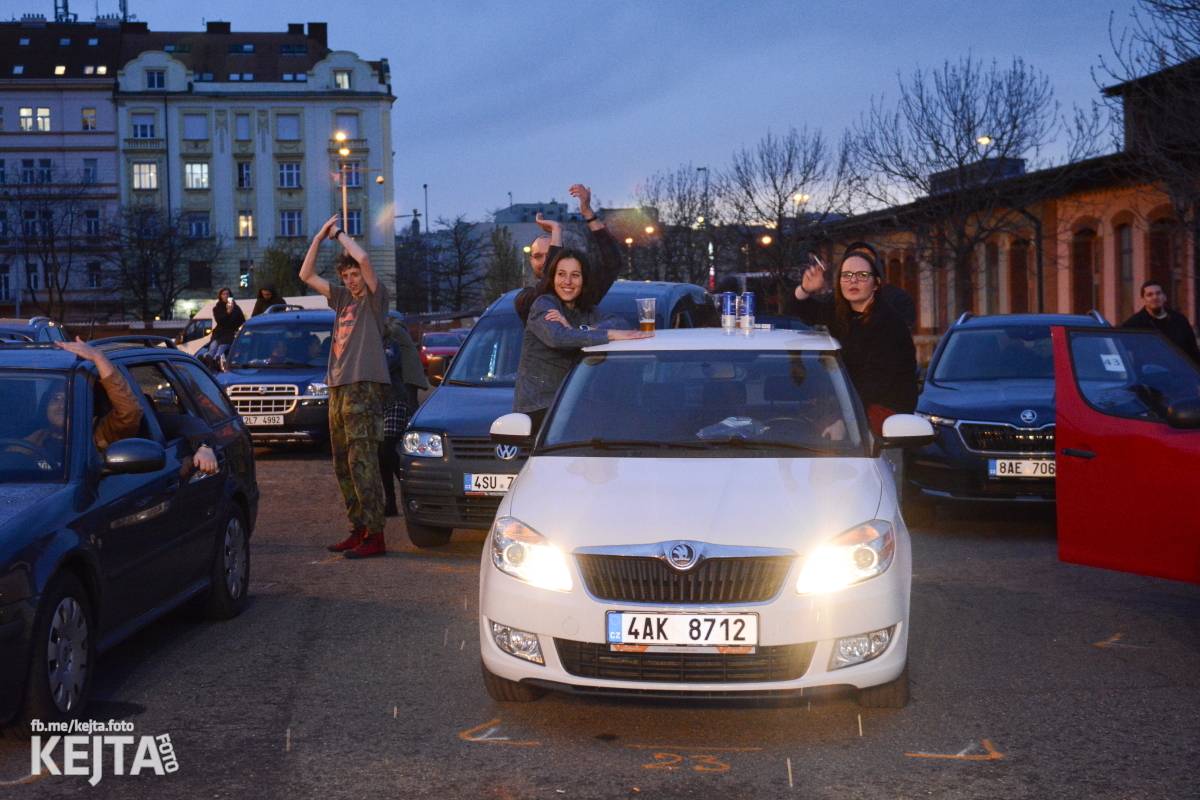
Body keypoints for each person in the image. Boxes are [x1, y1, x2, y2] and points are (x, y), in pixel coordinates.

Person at [300, 214, 392, 559]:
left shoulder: (373, 299)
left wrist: (338, 233)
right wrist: (317, 238)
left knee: (362, 460)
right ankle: (358, 528)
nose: (353, 280)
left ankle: (376, 533)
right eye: (347, 275)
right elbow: (305, 275)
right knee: (342, 462)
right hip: (337, 387)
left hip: (364, 387)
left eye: (355, 275)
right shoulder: (341, 300)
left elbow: (365, 259)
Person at [514, 249, 652, 429]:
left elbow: (621, 323)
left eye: (575, 275)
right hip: (539, 408)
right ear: (552, 278)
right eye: (561, 274)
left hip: (570, 405)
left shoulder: (586, 311)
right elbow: (558, 337)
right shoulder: (544, 304)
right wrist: (608, 334)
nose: (568, 282)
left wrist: (580, 330)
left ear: (584, 280)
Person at [787, 247, 917, 435]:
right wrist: (806, 289)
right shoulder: (841, 312)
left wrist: (846, 424)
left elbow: (876, 383)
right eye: (846, 275)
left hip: (885, 422)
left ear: (876, 283)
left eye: (862, 275)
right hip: (849, 406)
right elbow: (801, 310)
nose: (853, 280)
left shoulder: (889, 325)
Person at [513, 184, 623, 323]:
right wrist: (556, 231)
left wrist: (588, 214)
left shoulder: (582, 295)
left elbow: (612, 261)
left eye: (550, 254)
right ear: (530, 260)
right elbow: (547, 289)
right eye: (538, 256)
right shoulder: (525, 299)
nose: (546, 261)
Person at [379, 318, 428, 517]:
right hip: (385, 400)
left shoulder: (391, 336)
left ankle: (410, 497)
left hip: (396, 399)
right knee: (385, 454)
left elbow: (388, 362)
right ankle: (399, 500)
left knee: (387, 450)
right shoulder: (382, 336)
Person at [1121, 280, 1200, 364]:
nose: (1155, 297)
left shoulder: (1179, 320)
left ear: (1164, 297)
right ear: (1143, 299)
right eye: (1149, 295)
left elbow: (1193, 350)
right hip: (1150, 374)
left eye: (1158, 293)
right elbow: (1125, 353)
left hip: (1180, 372)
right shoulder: (1133, 324)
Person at [210, 288, 245, 364]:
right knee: (213, 348)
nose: (225, 296)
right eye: (223, 294)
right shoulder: (217, 308)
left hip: (230, 334)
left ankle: (217, 360)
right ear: (220, 296)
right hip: (219, 333)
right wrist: (228, 312)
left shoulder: (236, 308)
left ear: (230, 296)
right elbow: (220, 320)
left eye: (227, 294)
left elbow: (242, 321)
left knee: (221, 349)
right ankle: (207, 360)